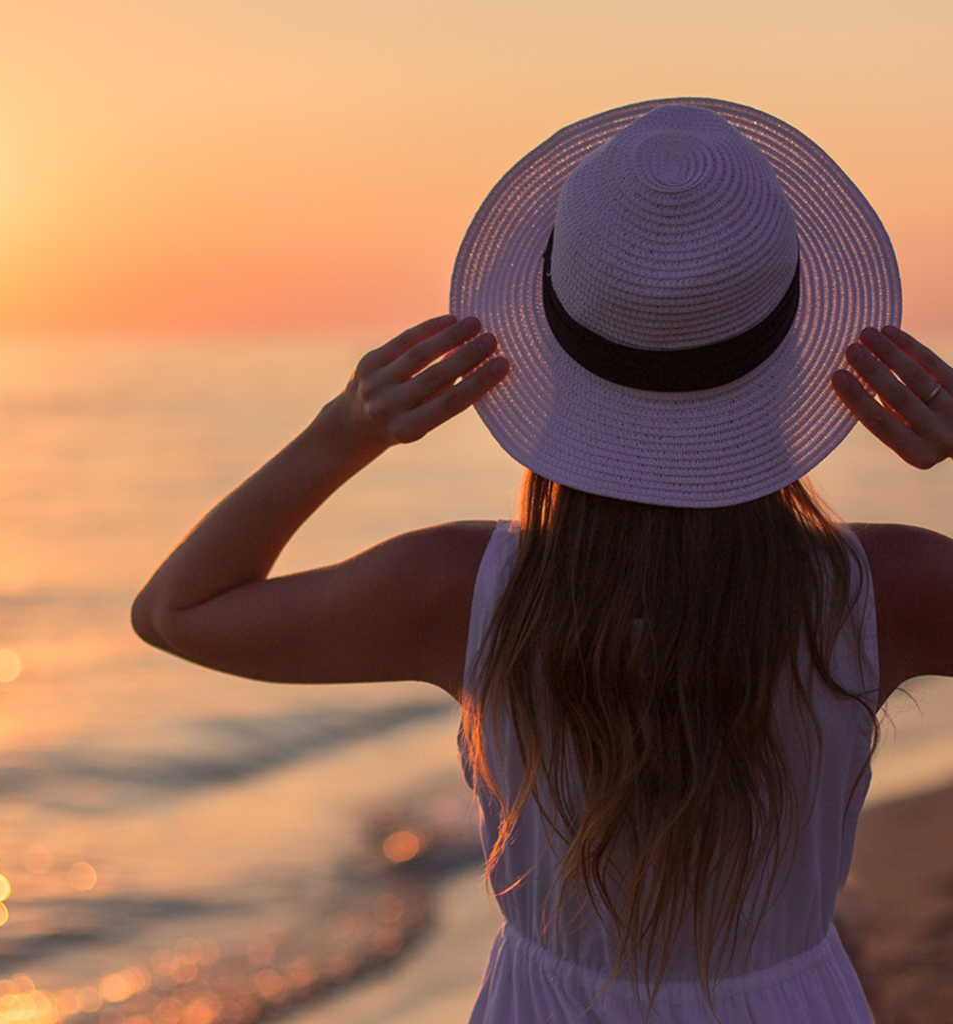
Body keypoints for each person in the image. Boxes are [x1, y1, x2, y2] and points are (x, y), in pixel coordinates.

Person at [132, 99, 953, 1022]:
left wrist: (344, 431)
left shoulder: (459, 592)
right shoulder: (889, 590)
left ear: (550, 353)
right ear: (794, 348)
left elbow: (178, 612)